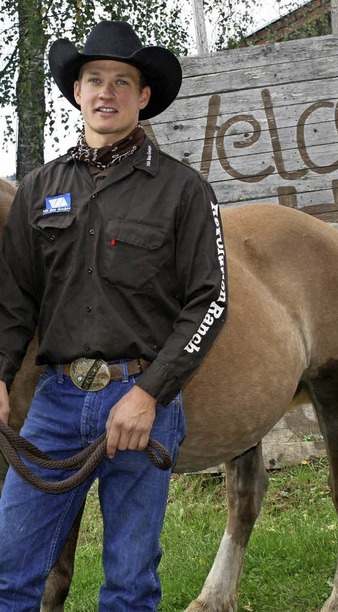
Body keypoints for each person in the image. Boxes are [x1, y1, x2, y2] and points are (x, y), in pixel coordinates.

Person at [0, 21, 227, 608]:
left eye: (121, 82)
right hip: (54, 405)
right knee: (9, 571)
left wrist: (151, 392)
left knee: (129, 583)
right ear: (77, 92)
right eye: (94, 79)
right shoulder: (39, 188)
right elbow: (15, 298)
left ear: (143, 96)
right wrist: (0, 375)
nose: (107, 93)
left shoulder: (184, 191)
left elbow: (211, 301)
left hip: (140, 403)